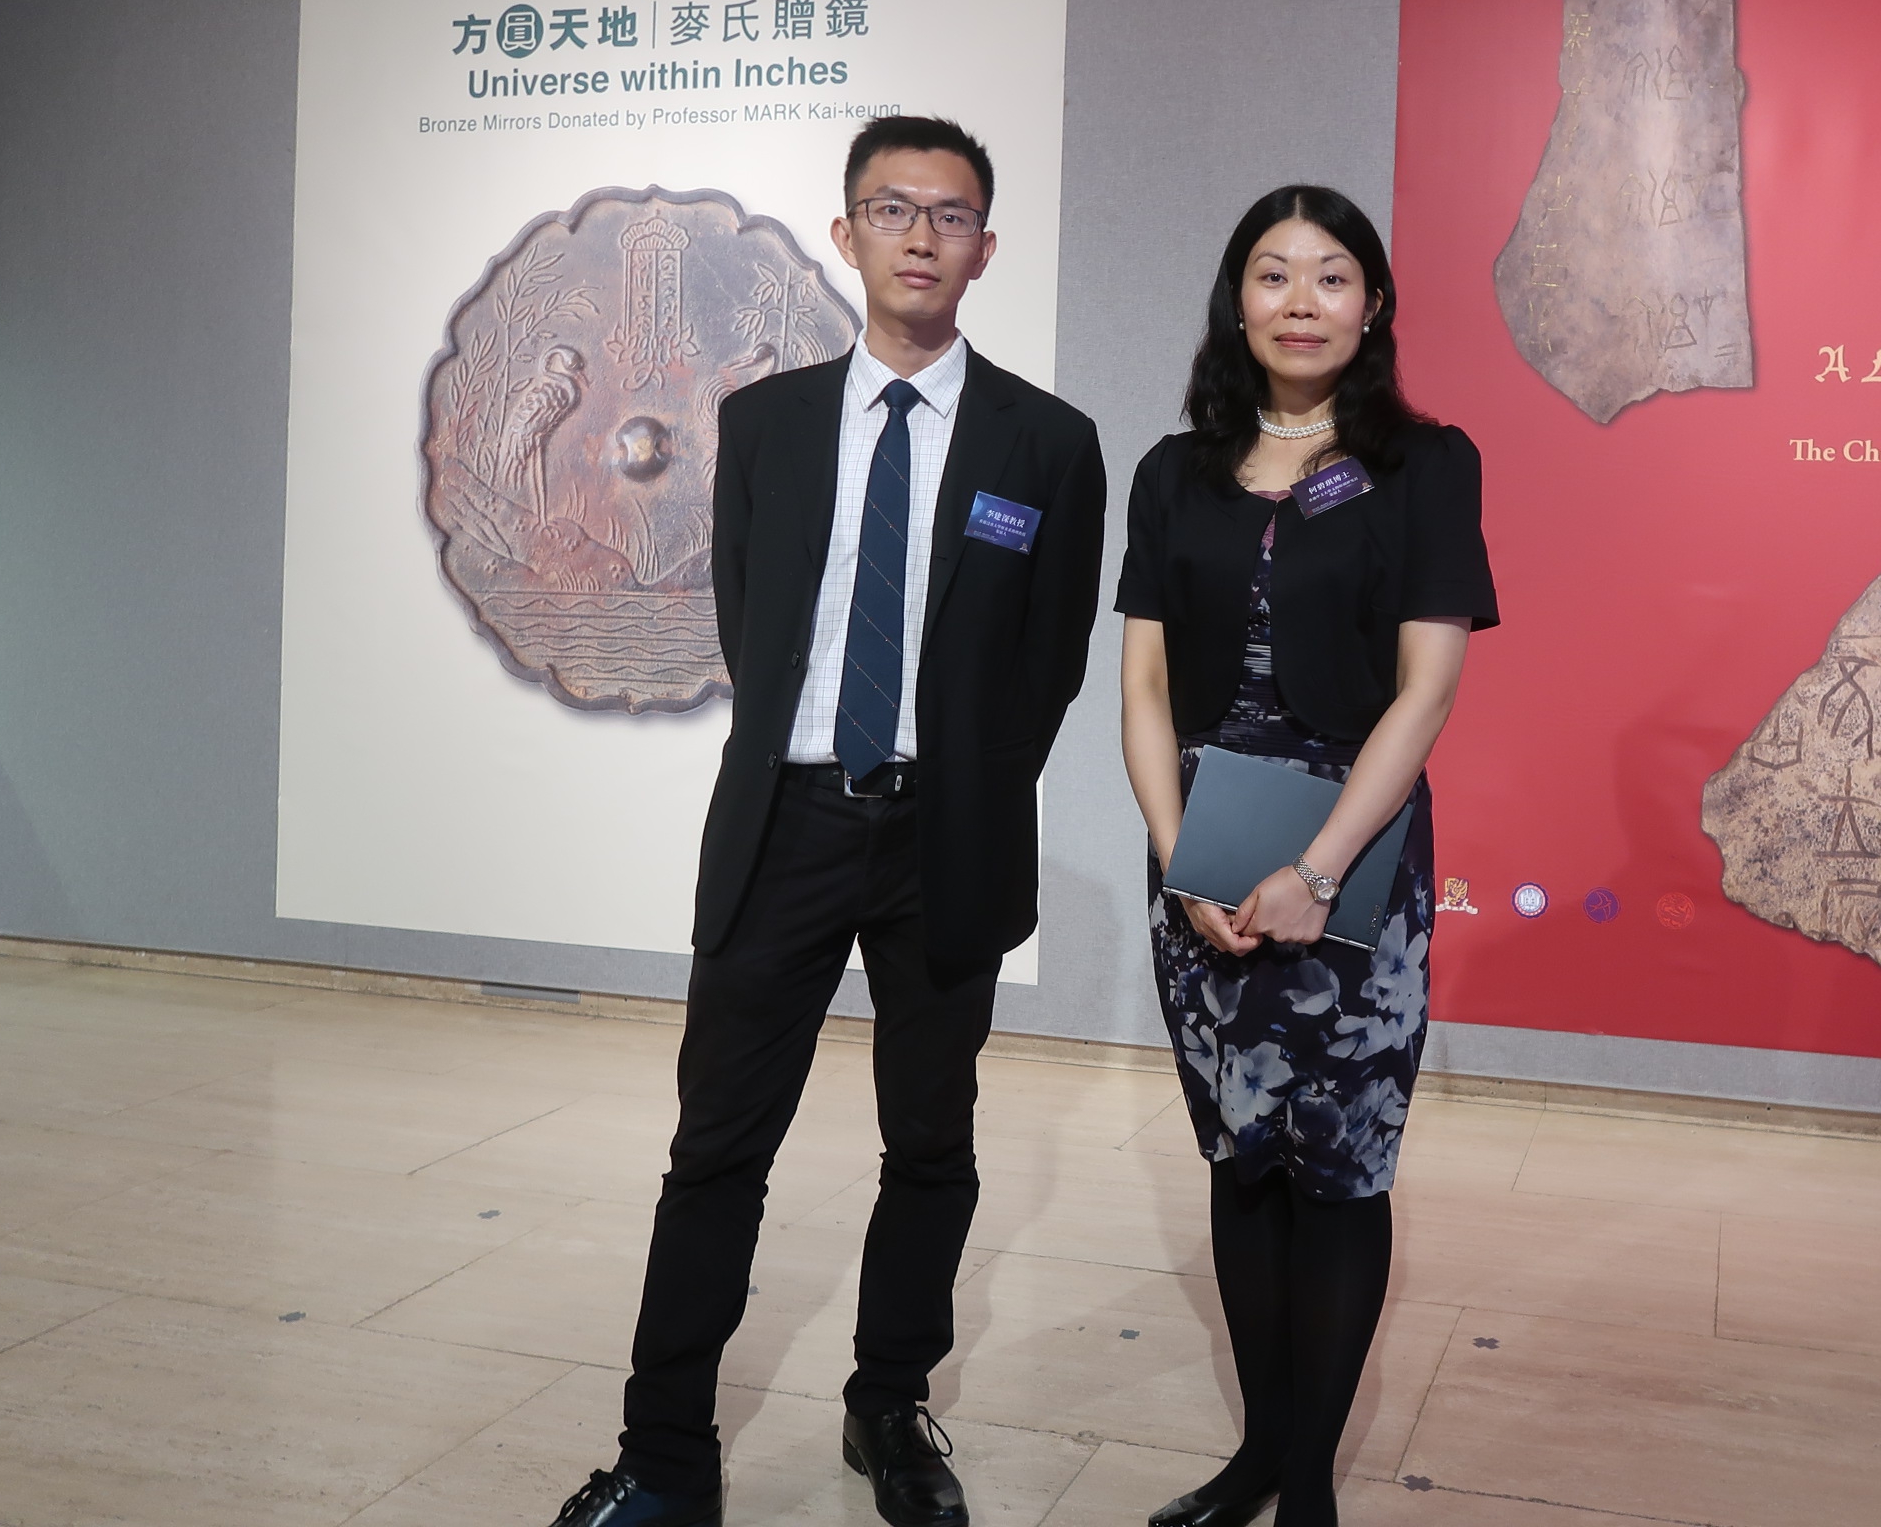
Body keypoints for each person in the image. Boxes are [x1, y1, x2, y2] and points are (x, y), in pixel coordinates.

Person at [546, 116, 1108, 1527]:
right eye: (894, 208)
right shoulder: (772, 422)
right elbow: (754, 616)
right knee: (718, 1146)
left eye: (953, 213)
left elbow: (1047, 665)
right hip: (787, 823)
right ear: (847, 233)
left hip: (947, 839)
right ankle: (666, 1452)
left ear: (989, 246)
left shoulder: (1050, 442)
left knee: (930, 1140)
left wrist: (961, 783)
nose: (923, 236)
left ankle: (889, 1404)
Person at [1115, 185, 1496, 1527]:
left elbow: (1427, 691)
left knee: (1338, 1165)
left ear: (1373, 303)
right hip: (1205, 853)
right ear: (1238, 301)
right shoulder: (1173, 473)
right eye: (1272, 275)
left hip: (1356, 857)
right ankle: (1257, 1456)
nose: (1299, 300)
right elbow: (1146, 689)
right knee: (1240, 1154)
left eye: (1330, 276)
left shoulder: (1426, 464)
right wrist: (1181, 860)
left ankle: (1313, 1488)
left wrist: (1319, 869)